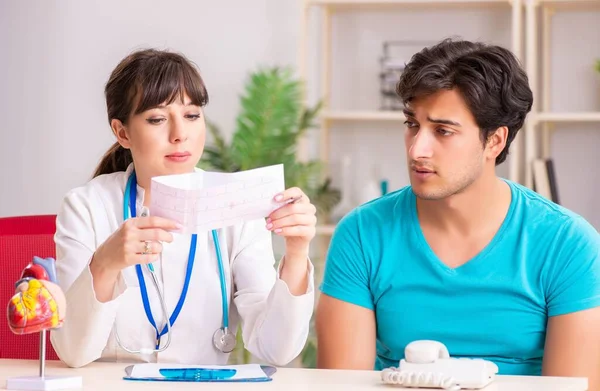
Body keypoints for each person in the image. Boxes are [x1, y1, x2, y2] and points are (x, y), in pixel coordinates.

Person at [315, 38, 600, 389]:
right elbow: (342, 384)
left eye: (443, 131)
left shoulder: (568, 243)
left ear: (494, 141)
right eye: (412, 123)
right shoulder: (362, 233)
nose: (417, 148)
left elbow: (572, 388)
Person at [50, 48, 317, 368]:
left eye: (191, 115)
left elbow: (275, 350)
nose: (180, 135)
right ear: (122, 132)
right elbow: (73, 353)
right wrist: (105, 264)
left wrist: (298, 252)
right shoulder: (87, 207)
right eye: (157, 119)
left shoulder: (236, 208)